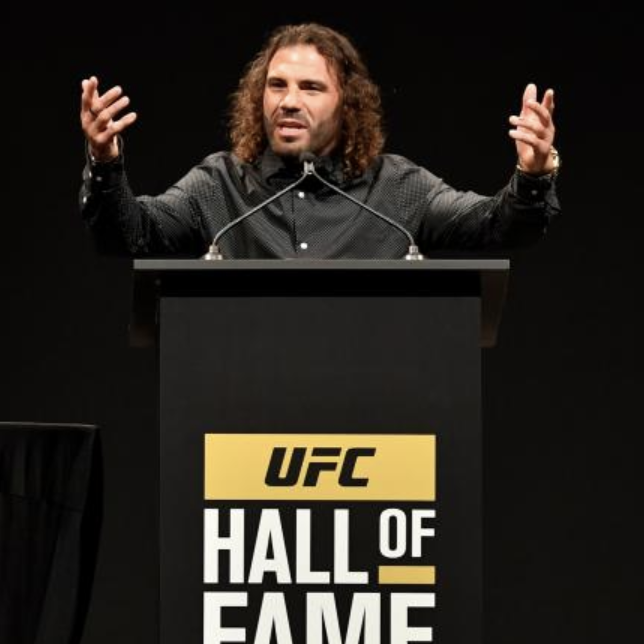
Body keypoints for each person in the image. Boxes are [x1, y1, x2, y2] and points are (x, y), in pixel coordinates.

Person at [79, 23, 560, 259]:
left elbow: (496, 228)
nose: (288, 102)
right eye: (277, 85)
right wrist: (105, 162)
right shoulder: (219, 185)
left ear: (347, 104)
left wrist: (533, 175)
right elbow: (130, 236)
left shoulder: (397, 188)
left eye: (310, 88)